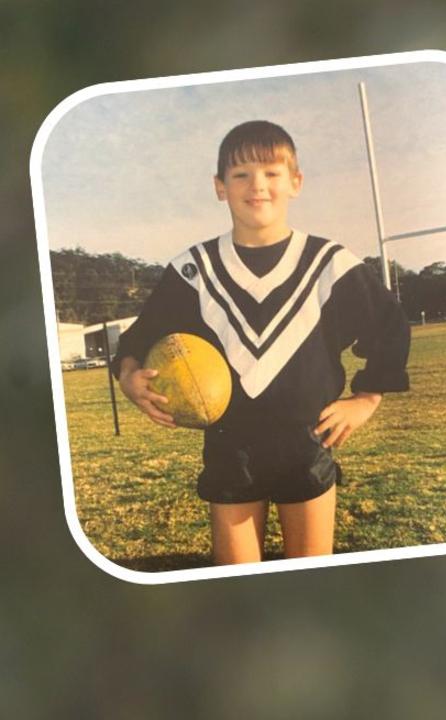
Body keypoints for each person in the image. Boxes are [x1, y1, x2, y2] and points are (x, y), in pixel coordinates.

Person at [112, 120, 410, 565]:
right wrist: (129, 379)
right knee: (237, 582)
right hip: (232, 446)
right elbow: (138, 336)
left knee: (309, 576)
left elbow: (389, 325)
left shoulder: (328, 264)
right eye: (241, 175)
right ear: (220, 187)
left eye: (272, 173)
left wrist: (365, 400)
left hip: (309, 442)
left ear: (295, 182)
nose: (258, 186)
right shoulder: (194, 270)